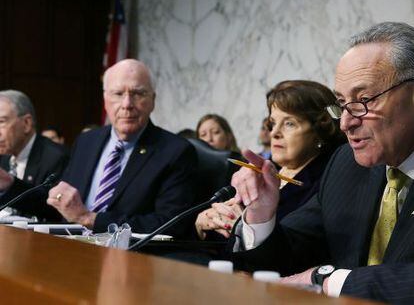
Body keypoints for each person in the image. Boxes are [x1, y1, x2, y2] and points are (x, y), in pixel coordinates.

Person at [230, 22, 414, 303]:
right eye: (341, 104)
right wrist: (261, 214)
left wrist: (329, 280)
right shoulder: (346, 165)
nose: (346, 123)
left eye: (364, 100)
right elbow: (290, 257)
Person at [46, 59, 197, 237]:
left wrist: (89, 218)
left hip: (131, 257)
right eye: (118, 94)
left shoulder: (175, 152)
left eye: (138, 93)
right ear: (105, 100)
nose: (127, 104)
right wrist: (10, 184)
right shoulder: (87, 141)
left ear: (153, 100)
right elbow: (59, 203)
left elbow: (168, 224)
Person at [195, 80, 345, 240]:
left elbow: (294, 243)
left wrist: (243, 225)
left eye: (289, 123)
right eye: (273, 123)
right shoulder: (261, 171)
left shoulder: (328, 180)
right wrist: (205, 221)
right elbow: (224, 220)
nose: (274, 133)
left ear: (320, 130)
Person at [0, 90, 69, 221]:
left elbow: (55, 211)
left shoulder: (56, 157)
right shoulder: (4, 156)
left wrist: (11, 184)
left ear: (26, 123)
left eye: (1, 122)